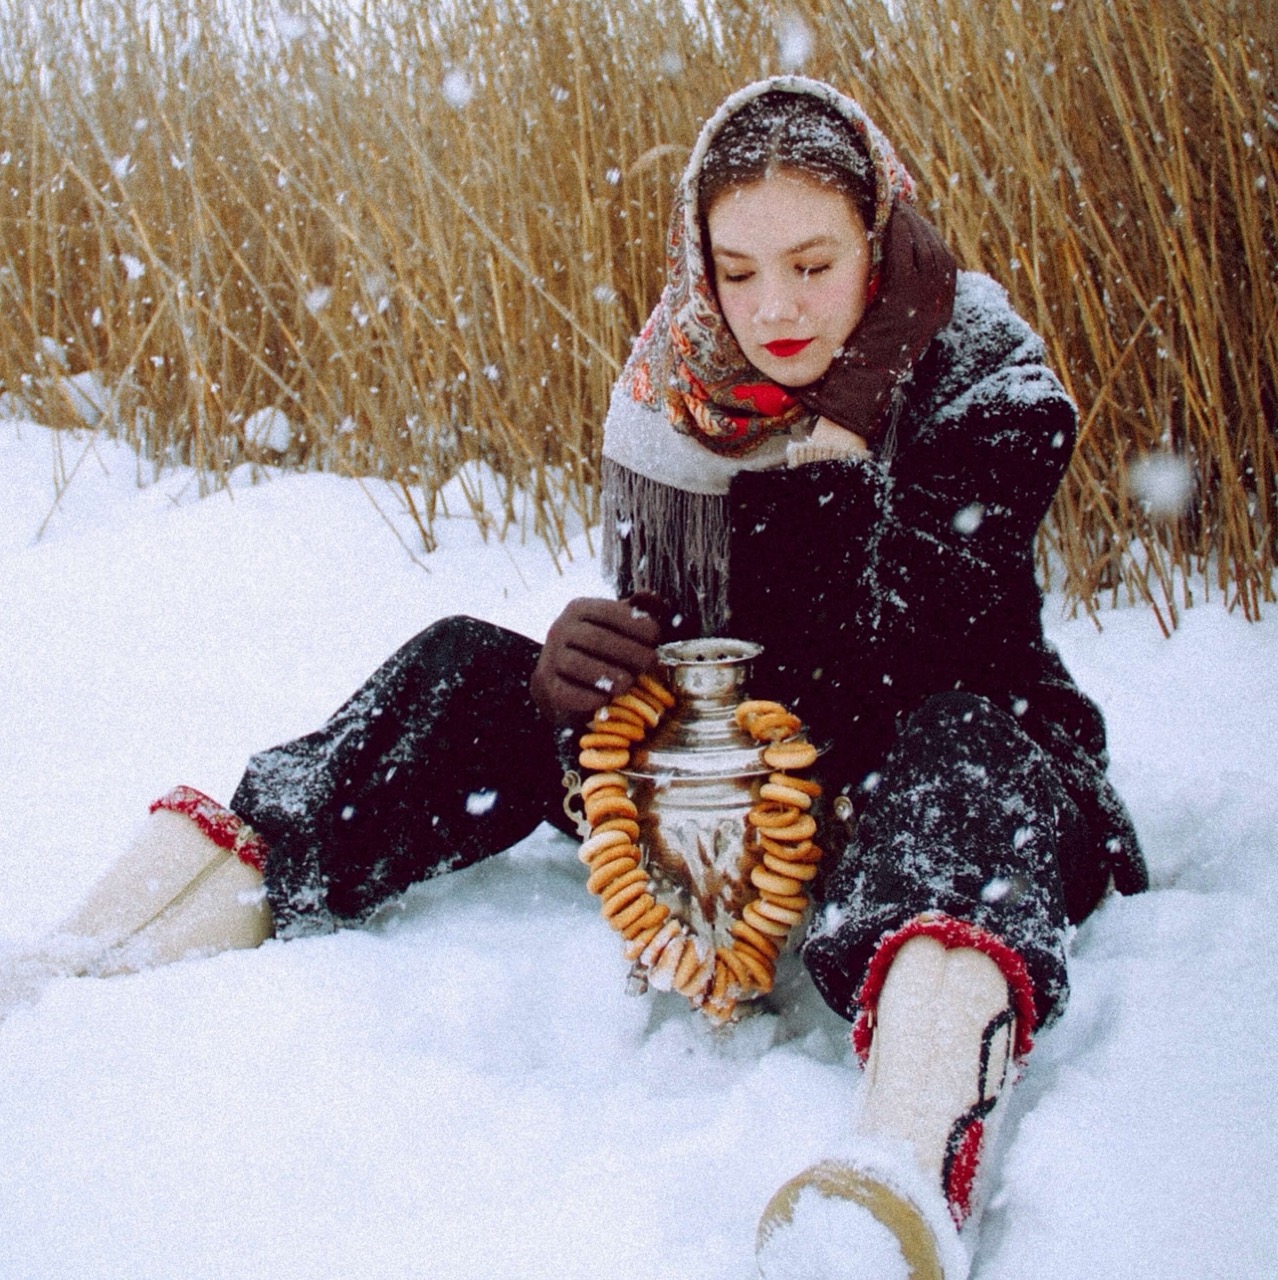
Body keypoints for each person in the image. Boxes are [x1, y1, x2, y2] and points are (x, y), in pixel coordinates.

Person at [4, 77, 1145, 1278]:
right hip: (732, 755)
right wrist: (576, 676)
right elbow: (680, 628)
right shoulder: (683, 386)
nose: (776, 309)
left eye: (815, 263)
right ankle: (97, 952)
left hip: (952, 766)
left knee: (961, 755)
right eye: (738, 270)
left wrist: (840, 433)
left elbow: (905, 652)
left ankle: (896, 1173)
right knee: (462, 666)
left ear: (883, 234)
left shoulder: (988, 381)